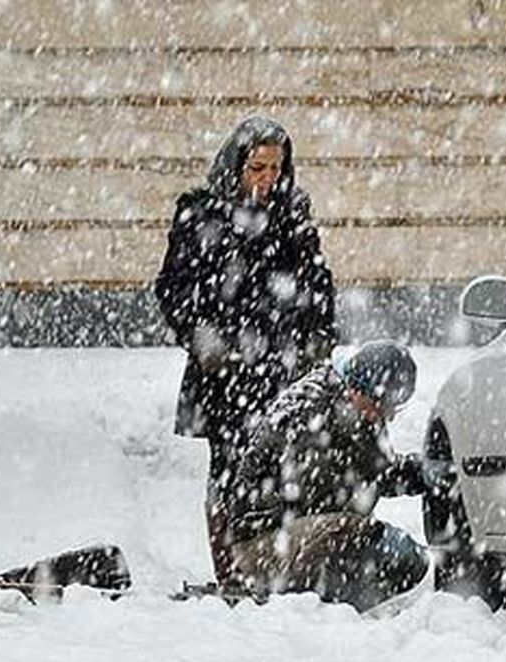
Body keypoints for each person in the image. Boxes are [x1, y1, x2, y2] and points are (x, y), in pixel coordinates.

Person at [154, 116, 336, 585]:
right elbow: (173, 287)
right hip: (225, 373)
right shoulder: (201, 213)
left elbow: (316, 282)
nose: (267, 179)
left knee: (286, 471)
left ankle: (277, 568)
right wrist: (203, 338)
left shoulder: (292, 213)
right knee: (231, 469)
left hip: (282, 367)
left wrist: (317, 336)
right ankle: (231, 571)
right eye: (257, 167)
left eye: (276, 168)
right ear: (235, 165)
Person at [223, 340, 433, 605]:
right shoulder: (313, 413)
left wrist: (425, 472)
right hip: (262, 543)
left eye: (394, 408)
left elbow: (380, 472)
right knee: (368, 539)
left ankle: (329, 602)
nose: (388, 416)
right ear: (360, 387)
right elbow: (327, 498)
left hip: (297, 533)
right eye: (383, 406)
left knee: (405, 557)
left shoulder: (355, 404)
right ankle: (291, 599)